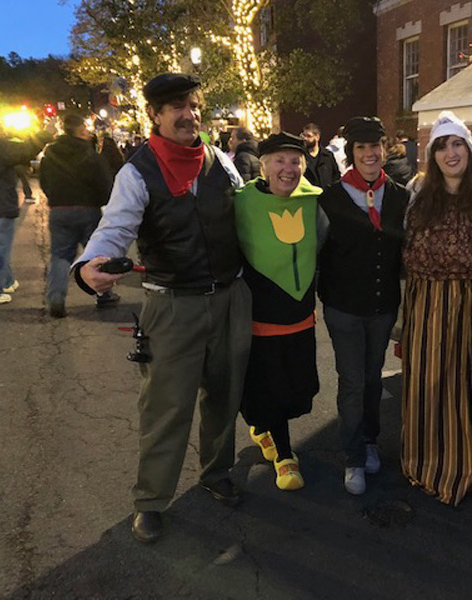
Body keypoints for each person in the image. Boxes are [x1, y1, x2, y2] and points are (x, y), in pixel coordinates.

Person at [72, 73, 252, 544]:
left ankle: (216, 473)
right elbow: (114, 228)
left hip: (229, 298)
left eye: (193, 105)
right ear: (154, 114)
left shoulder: (221, 161)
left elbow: (247, 213)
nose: (189, 115)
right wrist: (89, 266)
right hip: (173, 306)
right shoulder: (137, 172)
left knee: (224, 396)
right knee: (166, 409)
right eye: (176, 107)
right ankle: (150, 500)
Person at [400, 111, 472, 506]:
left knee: (463, 382)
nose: (450, 153)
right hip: (424, 299)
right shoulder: (418, 192)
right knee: (424, 380)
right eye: (441, 146)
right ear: (432, 155)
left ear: (470, 150)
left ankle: (464, 461)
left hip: (468, 301)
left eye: (457, 144)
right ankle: (422, 457)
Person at [318, 116, 408, 495]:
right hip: (343, 308)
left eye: (375, 146)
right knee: (352, 381)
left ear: (384, 149)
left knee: (373, 378)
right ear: (351, 153)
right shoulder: (329, 199)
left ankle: (369, 439)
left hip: (382, 306)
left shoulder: (400, 196)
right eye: (361, 148)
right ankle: (353, 456)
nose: (370, 154)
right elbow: (316, 251)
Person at [235, 132, 325, 491]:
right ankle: (285, 455)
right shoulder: (242, 202)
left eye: (295, 161)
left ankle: (262, 426)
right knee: (269, 386)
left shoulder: (314, 201)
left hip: (300, 315)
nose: (288, 169)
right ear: (264, 166)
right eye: (279, 160)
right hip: (261, 314)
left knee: (299, 389)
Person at [40, 114, 116, 318]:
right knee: (96, 253)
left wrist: (56, 198)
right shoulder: (90, 154)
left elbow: (44, 182)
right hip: (87, 209)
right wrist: (100, 201)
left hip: (59, 210)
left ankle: (56, 298)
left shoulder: (50, 154)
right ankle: (104, 294)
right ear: (81, 130)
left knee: (60, 256)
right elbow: (105, 184)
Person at [0, 121, 53, 305]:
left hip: (1, 204)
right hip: (1, 205)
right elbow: (25, 150)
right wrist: (44, 134)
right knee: (0, 247)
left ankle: (7, 281)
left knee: (2, 246)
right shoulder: (1, 147)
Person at [301, 123, 340, 189]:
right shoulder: (301, 156)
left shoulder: (327, 156)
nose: (305, 138)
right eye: (304, 136)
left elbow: (336, 177)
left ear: (317, 137)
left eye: (309, 136)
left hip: (326, 193)